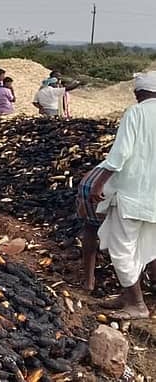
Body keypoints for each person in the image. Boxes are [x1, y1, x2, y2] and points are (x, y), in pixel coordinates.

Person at [76, 72, 156, 319]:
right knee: (145, 248)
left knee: (122, 249)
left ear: (137, 93)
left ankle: (137, 305)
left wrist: (98, 184)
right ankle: (126, 295)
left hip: (132, 196)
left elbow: (120, 154)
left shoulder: (136, 113)